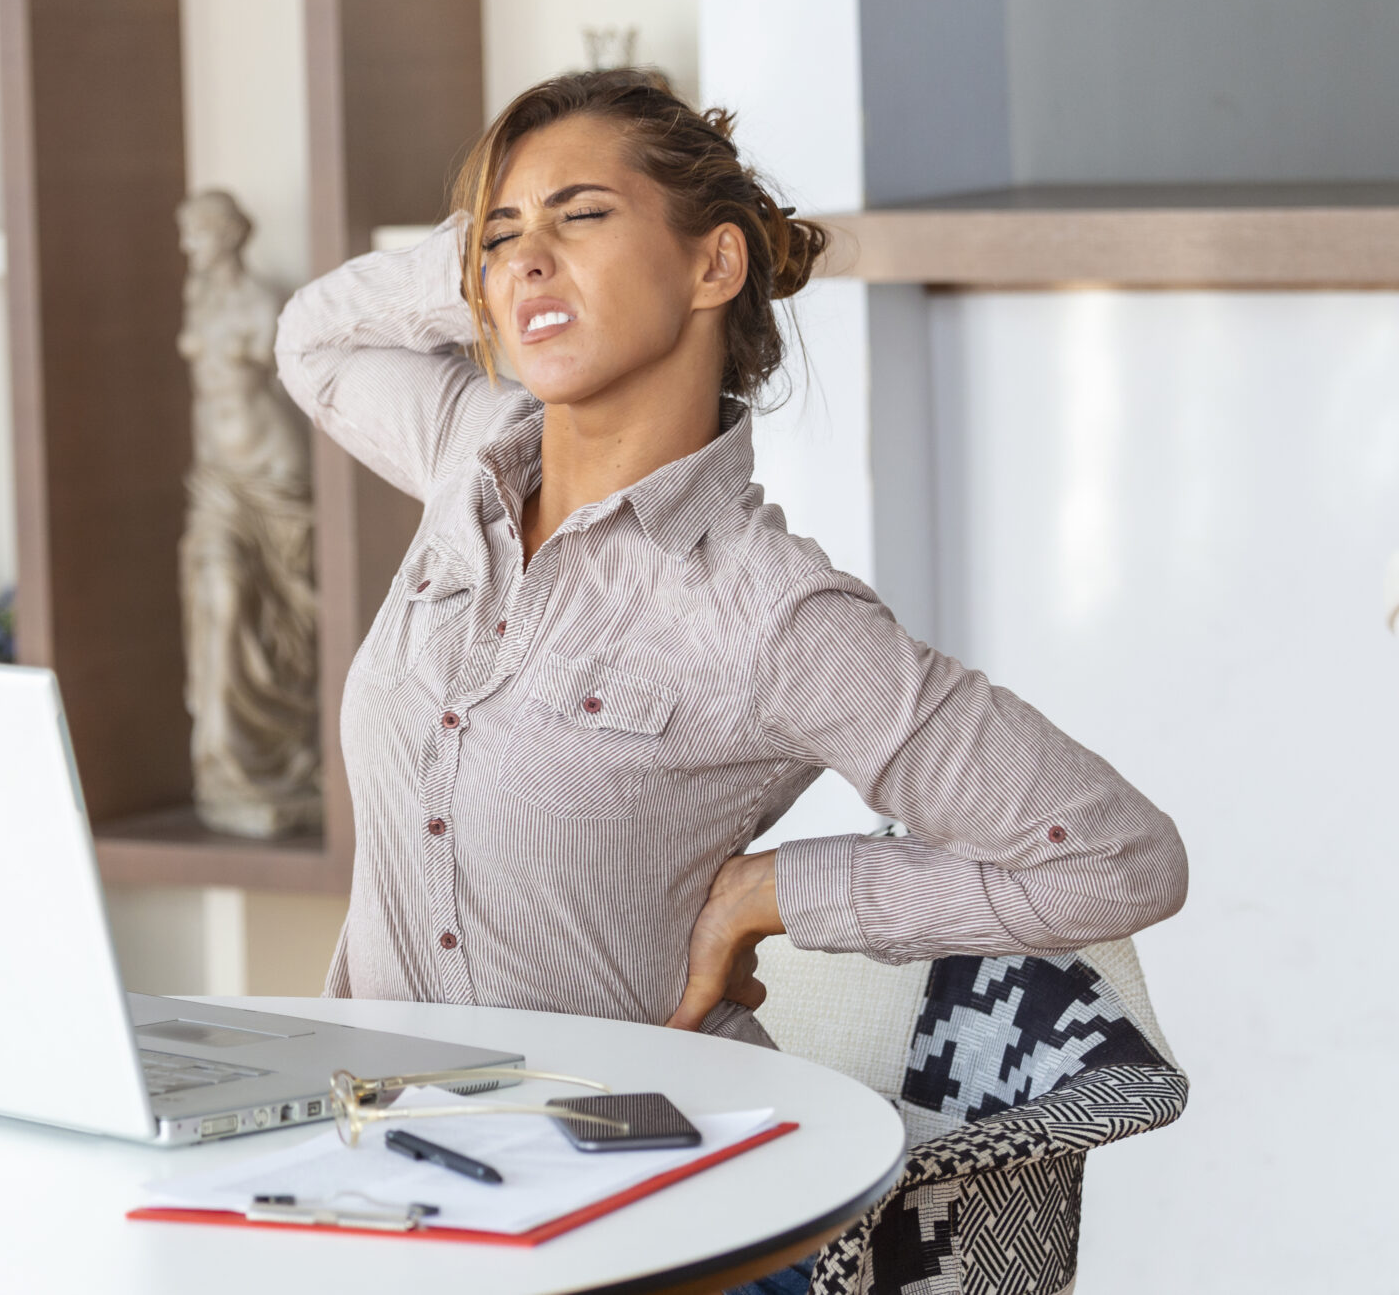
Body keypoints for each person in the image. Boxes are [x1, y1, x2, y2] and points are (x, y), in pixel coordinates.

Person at [275, 71, 1187, 1287]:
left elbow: (1118, 858)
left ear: (712, 268)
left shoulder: (771, 616)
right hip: (378, 1173)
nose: (525, 261)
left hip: (630, 1219)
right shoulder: (463, 459)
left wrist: (775, 890)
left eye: (581, 217)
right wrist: (486, 247)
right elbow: (313, 336)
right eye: (501, 237)